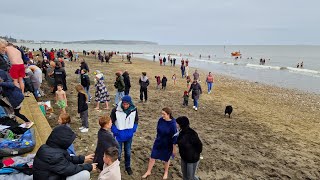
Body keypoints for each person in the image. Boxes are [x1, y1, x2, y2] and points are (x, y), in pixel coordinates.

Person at [33, 125, 97, 180]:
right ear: (62, 141)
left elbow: (67, 158)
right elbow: (70, 170)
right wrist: (89, 167)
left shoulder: (47, 148)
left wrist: (83, 159)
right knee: (85, 174)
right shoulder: (55, 156)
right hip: (52, 177)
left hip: (49, 176)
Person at [142, 107, 177, 179]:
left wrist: (174, 148)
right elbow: (158, 129)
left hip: (168, 144)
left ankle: (166, 172)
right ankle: (149, 171)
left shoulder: (173, 124)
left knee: (166, 159)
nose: (162, 115)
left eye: (164, 114)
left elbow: (174, 137)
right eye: (162, 114)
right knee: (152, 156)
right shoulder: (161, 120)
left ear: (168, 114)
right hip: (159, 141)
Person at [110, 95, 139, 175]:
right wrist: (116, 131)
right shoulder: (115, 110)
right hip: (118, 136)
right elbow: (111, 122)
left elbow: (136, 120)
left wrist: (133, 129)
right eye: (124, 104)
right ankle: (116, 167)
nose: (125, 106)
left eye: (127, 104)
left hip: (129, 136)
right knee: (118, 153)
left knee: (128, 152)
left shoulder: (134, 110)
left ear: (130, 103)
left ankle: (127, 166)